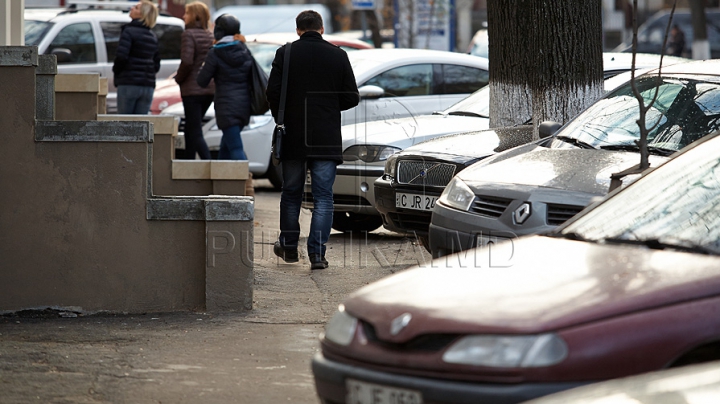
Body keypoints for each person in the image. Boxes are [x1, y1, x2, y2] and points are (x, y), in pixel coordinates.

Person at [266, 10, 360, 270]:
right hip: (325, 136)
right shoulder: (338, 55)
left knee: (291, 193)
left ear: (297, 30)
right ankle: (317, 256)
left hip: (294, 134)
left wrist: (282, 117)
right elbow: (352, 97)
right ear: (321, 28)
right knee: (323, 198)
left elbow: (272, 92)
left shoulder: (285, 53)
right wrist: (328, 106)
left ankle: (288, 246)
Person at [196, 14, 252, 161]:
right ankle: (220, 182)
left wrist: (204, 65)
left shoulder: (215, 52)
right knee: (225, 149)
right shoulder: (244, 49)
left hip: (226, 108)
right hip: (244, 105)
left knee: (235, 148)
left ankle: (246, 183)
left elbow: (201, 81)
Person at [175, 1, 214, 160]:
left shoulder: (188, 34)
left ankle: (210, 165)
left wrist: (178, 79)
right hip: (209, 89)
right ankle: (188, 164)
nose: (184, 16)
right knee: (191, 129)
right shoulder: (210, 35)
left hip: (192, 89)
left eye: (187, 13)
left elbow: (187, 61)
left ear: (195, 16)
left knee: (195, 130)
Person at [113, 0, 160, 115]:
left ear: (142, 14)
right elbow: (156, 65)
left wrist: (117, 72)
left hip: (129, 83)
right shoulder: (153, 37)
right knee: (140, 126)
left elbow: (121, 57)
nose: (132, 8)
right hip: (147, 86)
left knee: (125, 125)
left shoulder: (128, 32)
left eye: (137, 7)